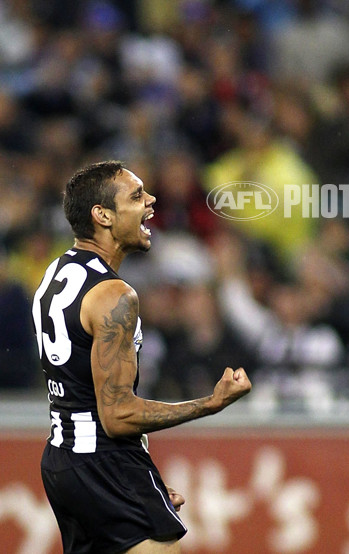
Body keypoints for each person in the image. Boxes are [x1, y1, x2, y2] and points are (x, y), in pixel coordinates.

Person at [32, 160, 252, 553]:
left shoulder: (54, 275)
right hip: (104, 461)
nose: (151, 201)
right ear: (102, 215)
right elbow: (117, 416)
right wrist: (210, 403)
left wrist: (141, 471)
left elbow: (80, 389)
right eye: (136, 196)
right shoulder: (115, 295)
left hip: (63, 458)